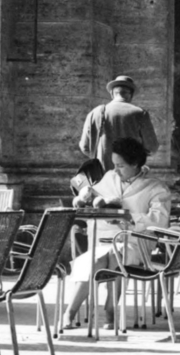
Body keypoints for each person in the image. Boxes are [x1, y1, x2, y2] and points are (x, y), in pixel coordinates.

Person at [64, 137, 171, 328]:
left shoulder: (156, 188)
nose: (115, 170)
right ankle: (70, 313)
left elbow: (159, 220)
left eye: (120, 165)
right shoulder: (109, 178)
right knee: (96, 260)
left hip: (136, 242)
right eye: (114, 165)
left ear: (135, 163)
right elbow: (91, 195)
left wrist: (129, 218)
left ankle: (110, 310)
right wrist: (84, 196)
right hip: (102, 240)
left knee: (115, 254)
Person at [78, 77, 160, 173]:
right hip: (130, 175)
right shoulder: (140, 114)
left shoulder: (94, 113)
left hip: (103, 176)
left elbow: (85, 147)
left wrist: (103, 156)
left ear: (112, 93)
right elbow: (152, 147)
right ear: (131, 94)